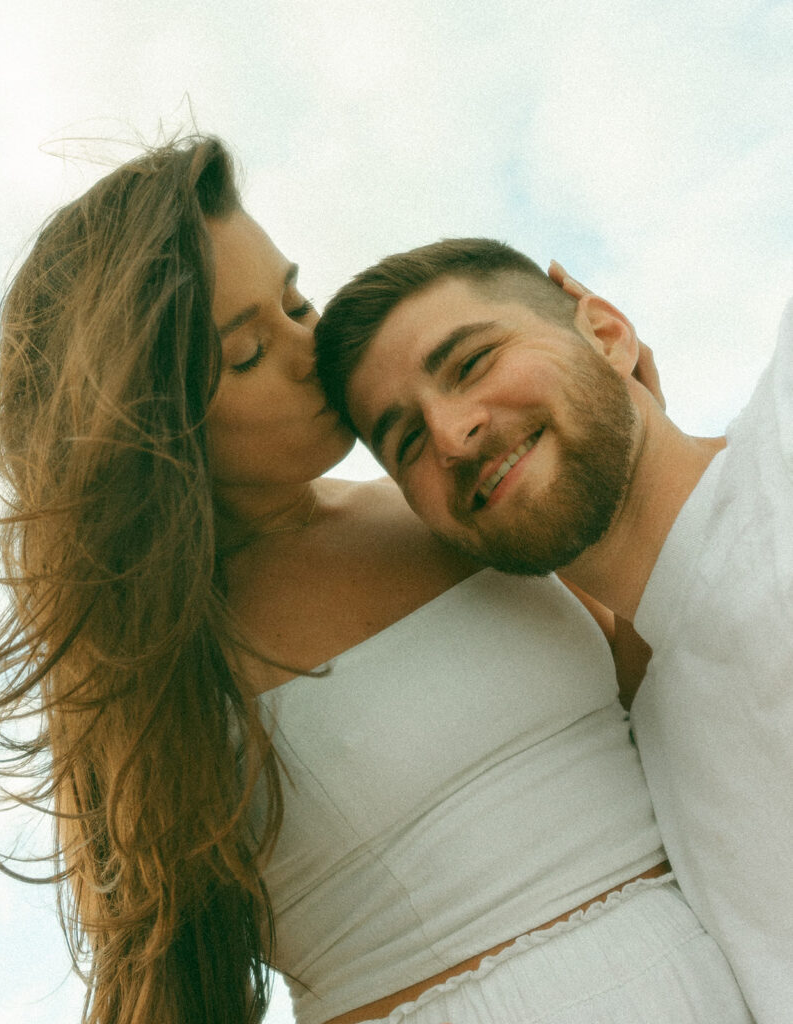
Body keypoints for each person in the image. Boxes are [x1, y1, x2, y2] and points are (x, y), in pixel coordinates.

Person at [0, 138, 753, 1024]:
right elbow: (153, 985)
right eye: (245, 355)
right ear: (154, 423)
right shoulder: (145, 666)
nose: (310, 350)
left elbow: (671, 709)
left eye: (296, 303)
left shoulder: (448, 502)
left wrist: (633, 459)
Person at [315, 235, 793, 1023]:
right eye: (405, 443)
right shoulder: (652, 769)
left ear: (605, 332)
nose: (451, 436)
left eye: (470, 363)